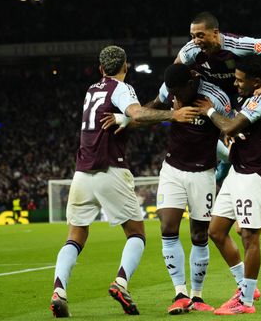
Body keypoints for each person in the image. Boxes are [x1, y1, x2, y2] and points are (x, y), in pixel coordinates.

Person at [49, 46, 198, 318]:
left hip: (82, 173)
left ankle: (59, 290)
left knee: (75, 236)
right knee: (137, 234)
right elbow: (138, 113)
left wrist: (125, 118)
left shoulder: (91, 90)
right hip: (110, 169)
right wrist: (172, 115)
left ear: (100, 68)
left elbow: (126, 118)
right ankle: (121, 282)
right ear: (125, 66)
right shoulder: (121, 88)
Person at [144, 64, 232, 314]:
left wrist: (212, 113)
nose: (177, 98)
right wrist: (130, 118)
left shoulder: (215, 96)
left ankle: (197, 296)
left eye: (180, 92)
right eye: (173, 94)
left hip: (203, 173)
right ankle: (180, 293)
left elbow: (230, 123)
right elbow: (149, 111)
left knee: (199, 236)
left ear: (192, 81)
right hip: (172, 169)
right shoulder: (171, 94)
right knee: (168, 227)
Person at [195, 55, 261, 315]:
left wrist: (209, 110)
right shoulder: (248, 96)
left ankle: (246, 302)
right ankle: (245, 286)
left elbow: (230, 127)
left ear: (257, 81)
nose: (236, 83)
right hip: (237, 172)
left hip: (254, 175)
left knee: (249, 236)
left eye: (241, 80)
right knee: (216, 230)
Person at [175, 11, 261, 98]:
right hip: (212, 97)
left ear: (215, 33)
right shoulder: (192, 49)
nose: (195, 41)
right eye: (193, 36)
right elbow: (175, 68)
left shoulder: (238, 45)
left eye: (200, 35)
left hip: (241, 95)